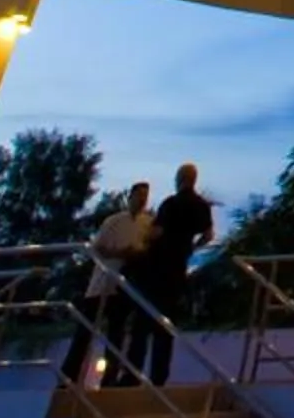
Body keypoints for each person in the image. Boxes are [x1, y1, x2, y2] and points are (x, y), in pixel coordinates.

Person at [123, 163, 215, 385]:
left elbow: (157, 232)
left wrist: (144, 241)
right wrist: (191, 248)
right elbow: (209, 235)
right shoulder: (201, 205)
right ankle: (159, 377)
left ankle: (132, 375)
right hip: (178, 268)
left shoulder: (171, 204)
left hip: (156, 267)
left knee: (142, 323)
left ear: (179, 179)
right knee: (165, 326)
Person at [64, 182, 151, 385]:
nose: (141, 200)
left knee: (117, 335)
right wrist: (120, 253)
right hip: (102, 283)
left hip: (123, 287)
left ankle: (109, 379)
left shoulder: (146, 224)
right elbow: (98, 248)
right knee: (84, 332)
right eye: (138, 195)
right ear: (131, 196)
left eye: (145, 197)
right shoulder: (113, 221)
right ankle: (69, 377)